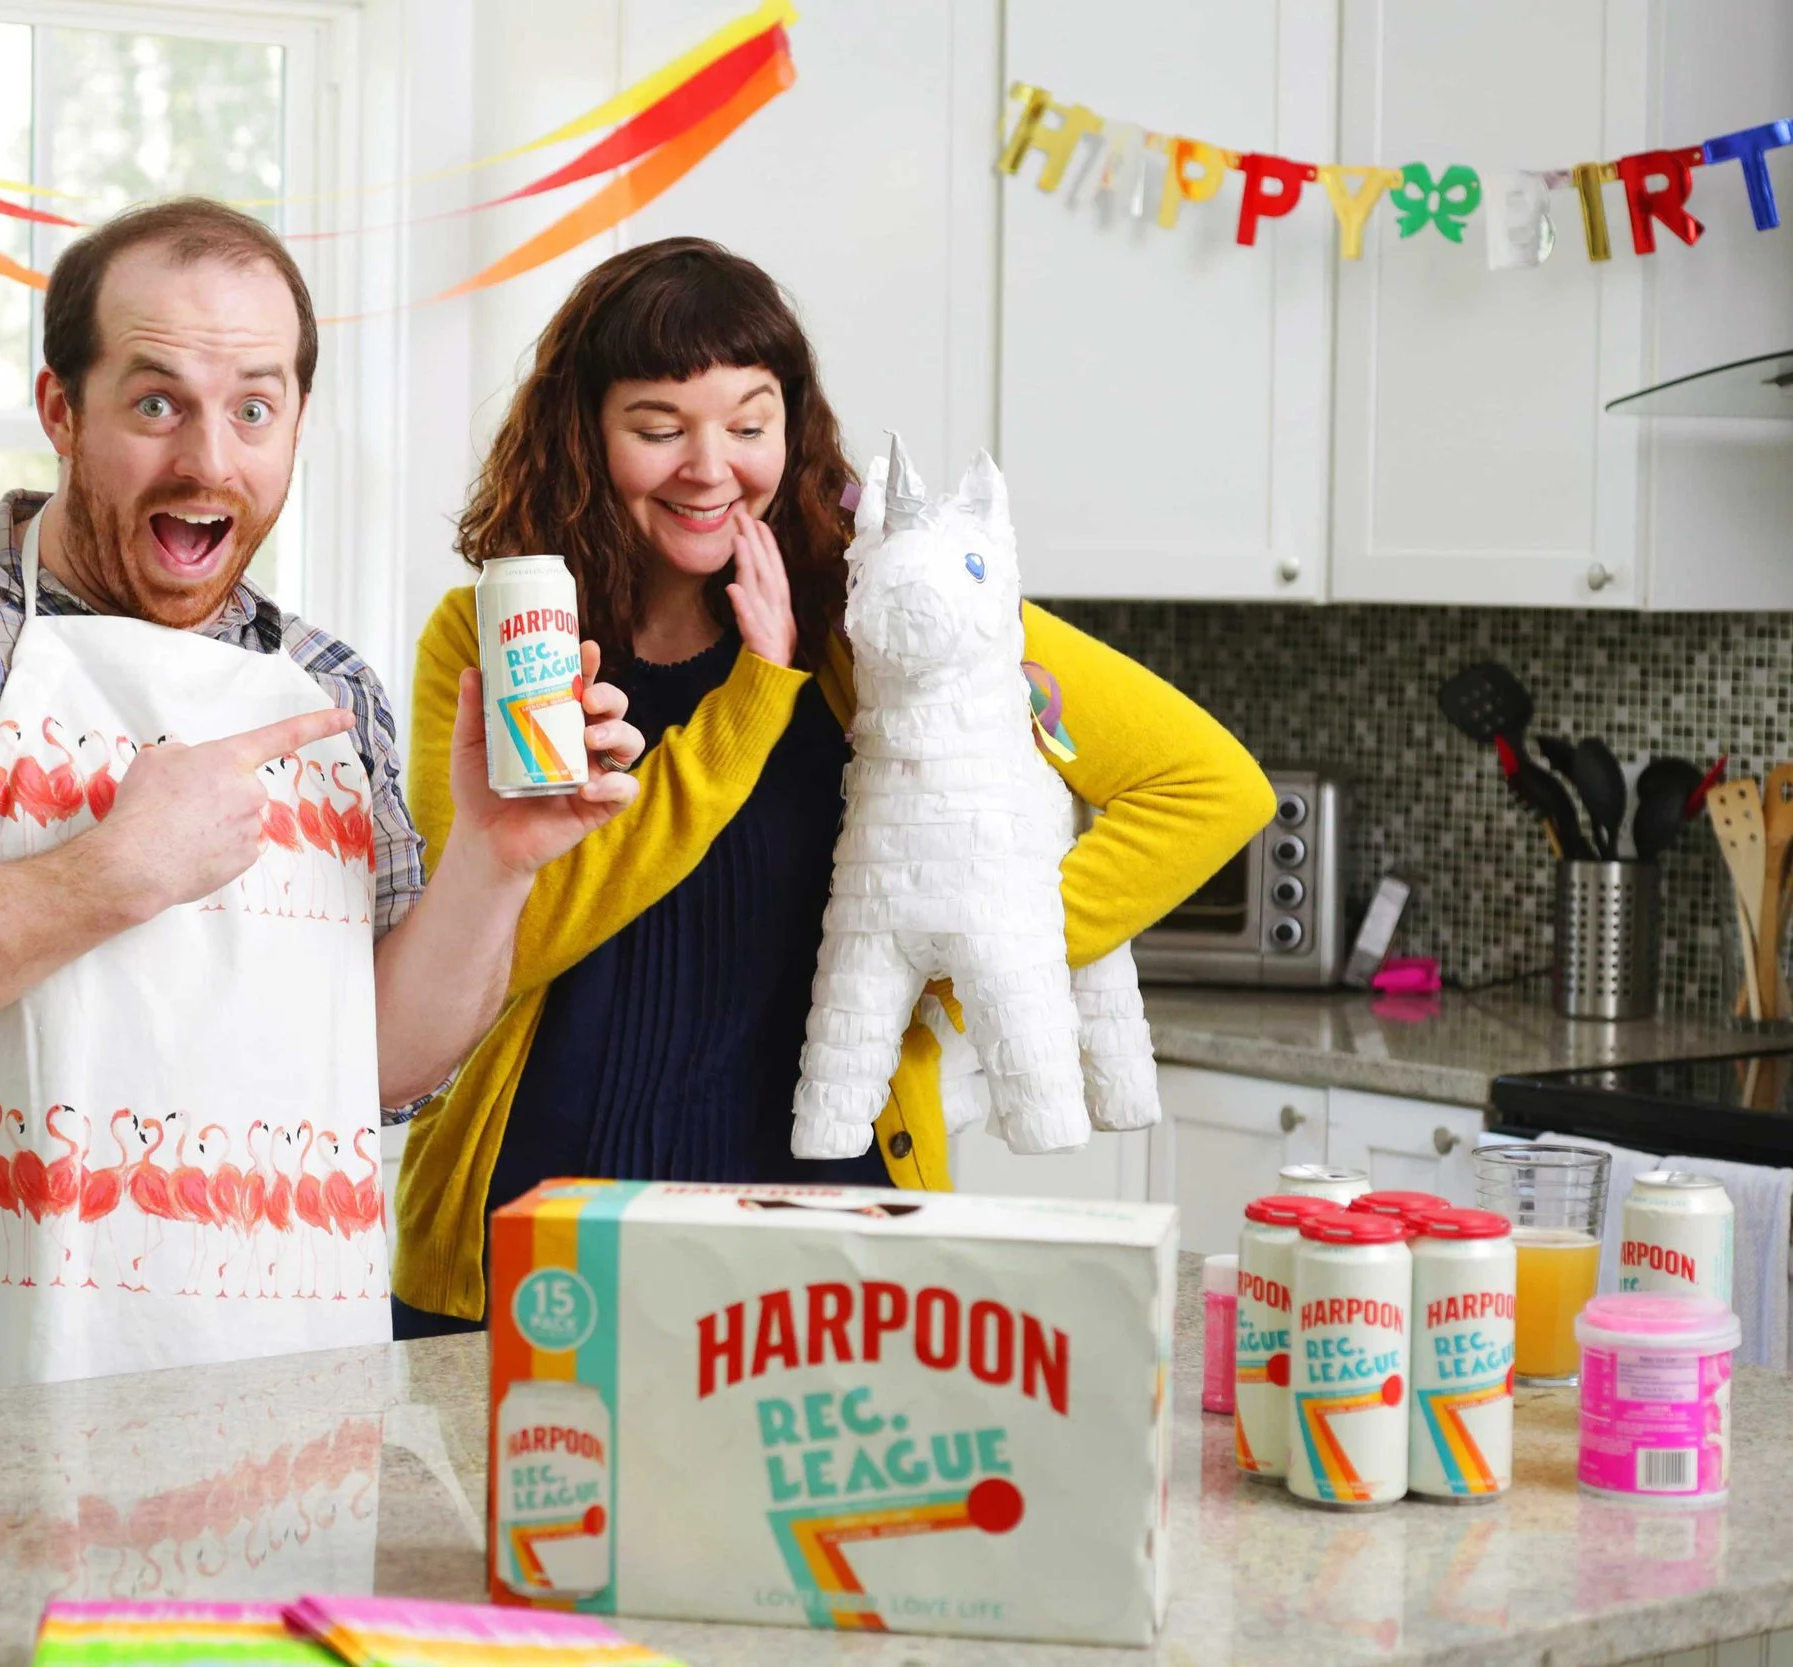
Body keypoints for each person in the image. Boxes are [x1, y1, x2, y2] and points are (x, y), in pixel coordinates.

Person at [0, 199, 645, 1411]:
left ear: (296, 424)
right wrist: (111, 871)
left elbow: (379, 1069)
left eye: (254, 408)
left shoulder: (328, 689)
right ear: (62, 408)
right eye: (157, 401)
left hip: (279, 1423)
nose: (210, 460)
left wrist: (496, 854)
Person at [391, 238, 1275, 1334]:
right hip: (529, 1247)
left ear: (793, 428)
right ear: (582, 433)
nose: (709, 467)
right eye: (658, 427)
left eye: (748, 424)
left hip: (824, 1247)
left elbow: (1206, 785)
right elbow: (505, 944)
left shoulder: (880, 631)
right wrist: (750, 701)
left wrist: (965, 954)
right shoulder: (500, 645)